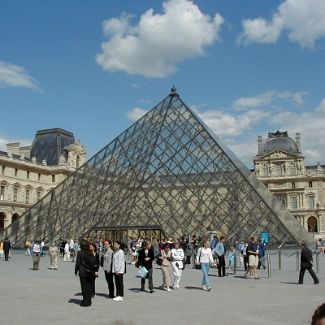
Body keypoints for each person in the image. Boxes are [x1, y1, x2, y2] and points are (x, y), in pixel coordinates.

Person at [75, 240, 94, 307]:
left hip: (82, 271)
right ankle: (89, 301)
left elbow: (77, 263)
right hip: (90, 271)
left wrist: (76, 270)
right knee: (88, 286)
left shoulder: (80, 253)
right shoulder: (90, 251)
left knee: (84, 287)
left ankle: (85, 302)